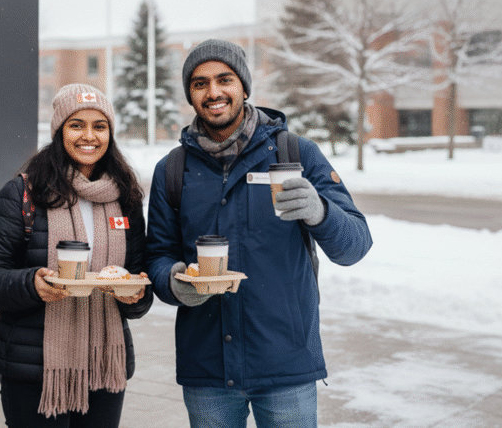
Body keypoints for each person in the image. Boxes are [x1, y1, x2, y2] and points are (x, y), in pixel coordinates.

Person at [146, 39, 372, 428]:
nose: (213, 92)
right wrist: (172, 281)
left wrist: (320, 212)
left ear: (244, 87)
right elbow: (157, 256)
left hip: (285, 364)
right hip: (208, 369)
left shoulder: (295, 154)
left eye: (224, 80)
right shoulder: (172, 170)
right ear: (190, 95)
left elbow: (355, 246)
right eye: (200, 83)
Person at [0, 83, 152, 428]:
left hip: (104, 366)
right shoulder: (24, 192)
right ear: (59, 131)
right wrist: (31, 284)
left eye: (99, 126)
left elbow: (138, 278)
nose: (89, 136)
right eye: (77, 125)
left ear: (110, 134)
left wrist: (136, 295)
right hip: (36, 367)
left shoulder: (125, 197)